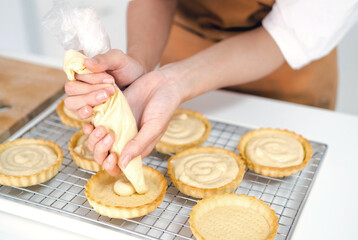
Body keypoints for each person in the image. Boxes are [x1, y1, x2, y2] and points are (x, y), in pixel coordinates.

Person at [64, 0, 358, 176]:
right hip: (179, 51)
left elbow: (288, 34)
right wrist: (141, 63)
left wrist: (174, 81)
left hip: (283, 72)